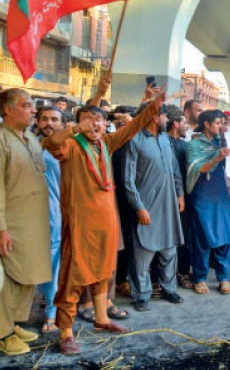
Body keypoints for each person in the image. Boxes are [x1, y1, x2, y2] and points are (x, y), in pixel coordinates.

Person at [43, 89, 166, 355]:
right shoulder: (72, 145)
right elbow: (50, 144)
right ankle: (65, 332)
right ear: (78, 124)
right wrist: (75, 128)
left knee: (104, 272)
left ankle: (102, 319)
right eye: (89, 120)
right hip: (80, 224)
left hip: (107, 222)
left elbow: (133, 127)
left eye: (99, 120)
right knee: (73, 277)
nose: (95, 125)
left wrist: (152, 106)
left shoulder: (107, 143)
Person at [0, 89, 51, 356]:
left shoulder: (30, 137)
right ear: (8, 110)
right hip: (12, 225)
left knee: (26, 277)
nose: (33, 110)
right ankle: (3, 333)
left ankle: (12, 323)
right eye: (27, 105)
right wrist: (2, 228)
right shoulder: (1, 139)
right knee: (8, 279)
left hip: (33, 223)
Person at [123, 104, 185, 311]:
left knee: (169, 250)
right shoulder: (134, 140)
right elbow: (128, 180)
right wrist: (139, 207)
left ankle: (169, 288)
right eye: (164, 116)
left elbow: (174, 169)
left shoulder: (165, 139)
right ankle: (141, 295)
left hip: (169, 206)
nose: (167, 120)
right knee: (143, 253)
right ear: (153, 117)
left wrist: (180, 194)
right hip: (146, 206)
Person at [185, 110, 230, 295]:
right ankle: (199, 278)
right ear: (206, 124)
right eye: (217, 122)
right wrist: (217, 157)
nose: (220, 126)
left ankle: (223, 278)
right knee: (202, 238)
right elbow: (197, 168)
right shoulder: (194, 145)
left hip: (220, 194)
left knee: (224, 237)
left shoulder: (223, 142)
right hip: (202, 196)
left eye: (223, 122)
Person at [35, 106, 65, 334]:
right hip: (24, 217)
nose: (49, 123)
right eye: (44, 119)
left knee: (53, 267)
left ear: (62, 124)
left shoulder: (67, 149)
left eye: (54, 119)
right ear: (37, 121)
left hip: (54, 217)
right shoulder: (28, 145)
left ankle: (51, 314)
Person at [165, 106, 192, 288]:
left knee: (183, 237)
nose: (186, 126)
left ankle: (182, 272)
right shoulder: (162, 143)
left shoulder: (186, 146)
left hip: (184, 199)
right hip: (164, 197)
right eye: (183, 123)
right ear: (175, 124)